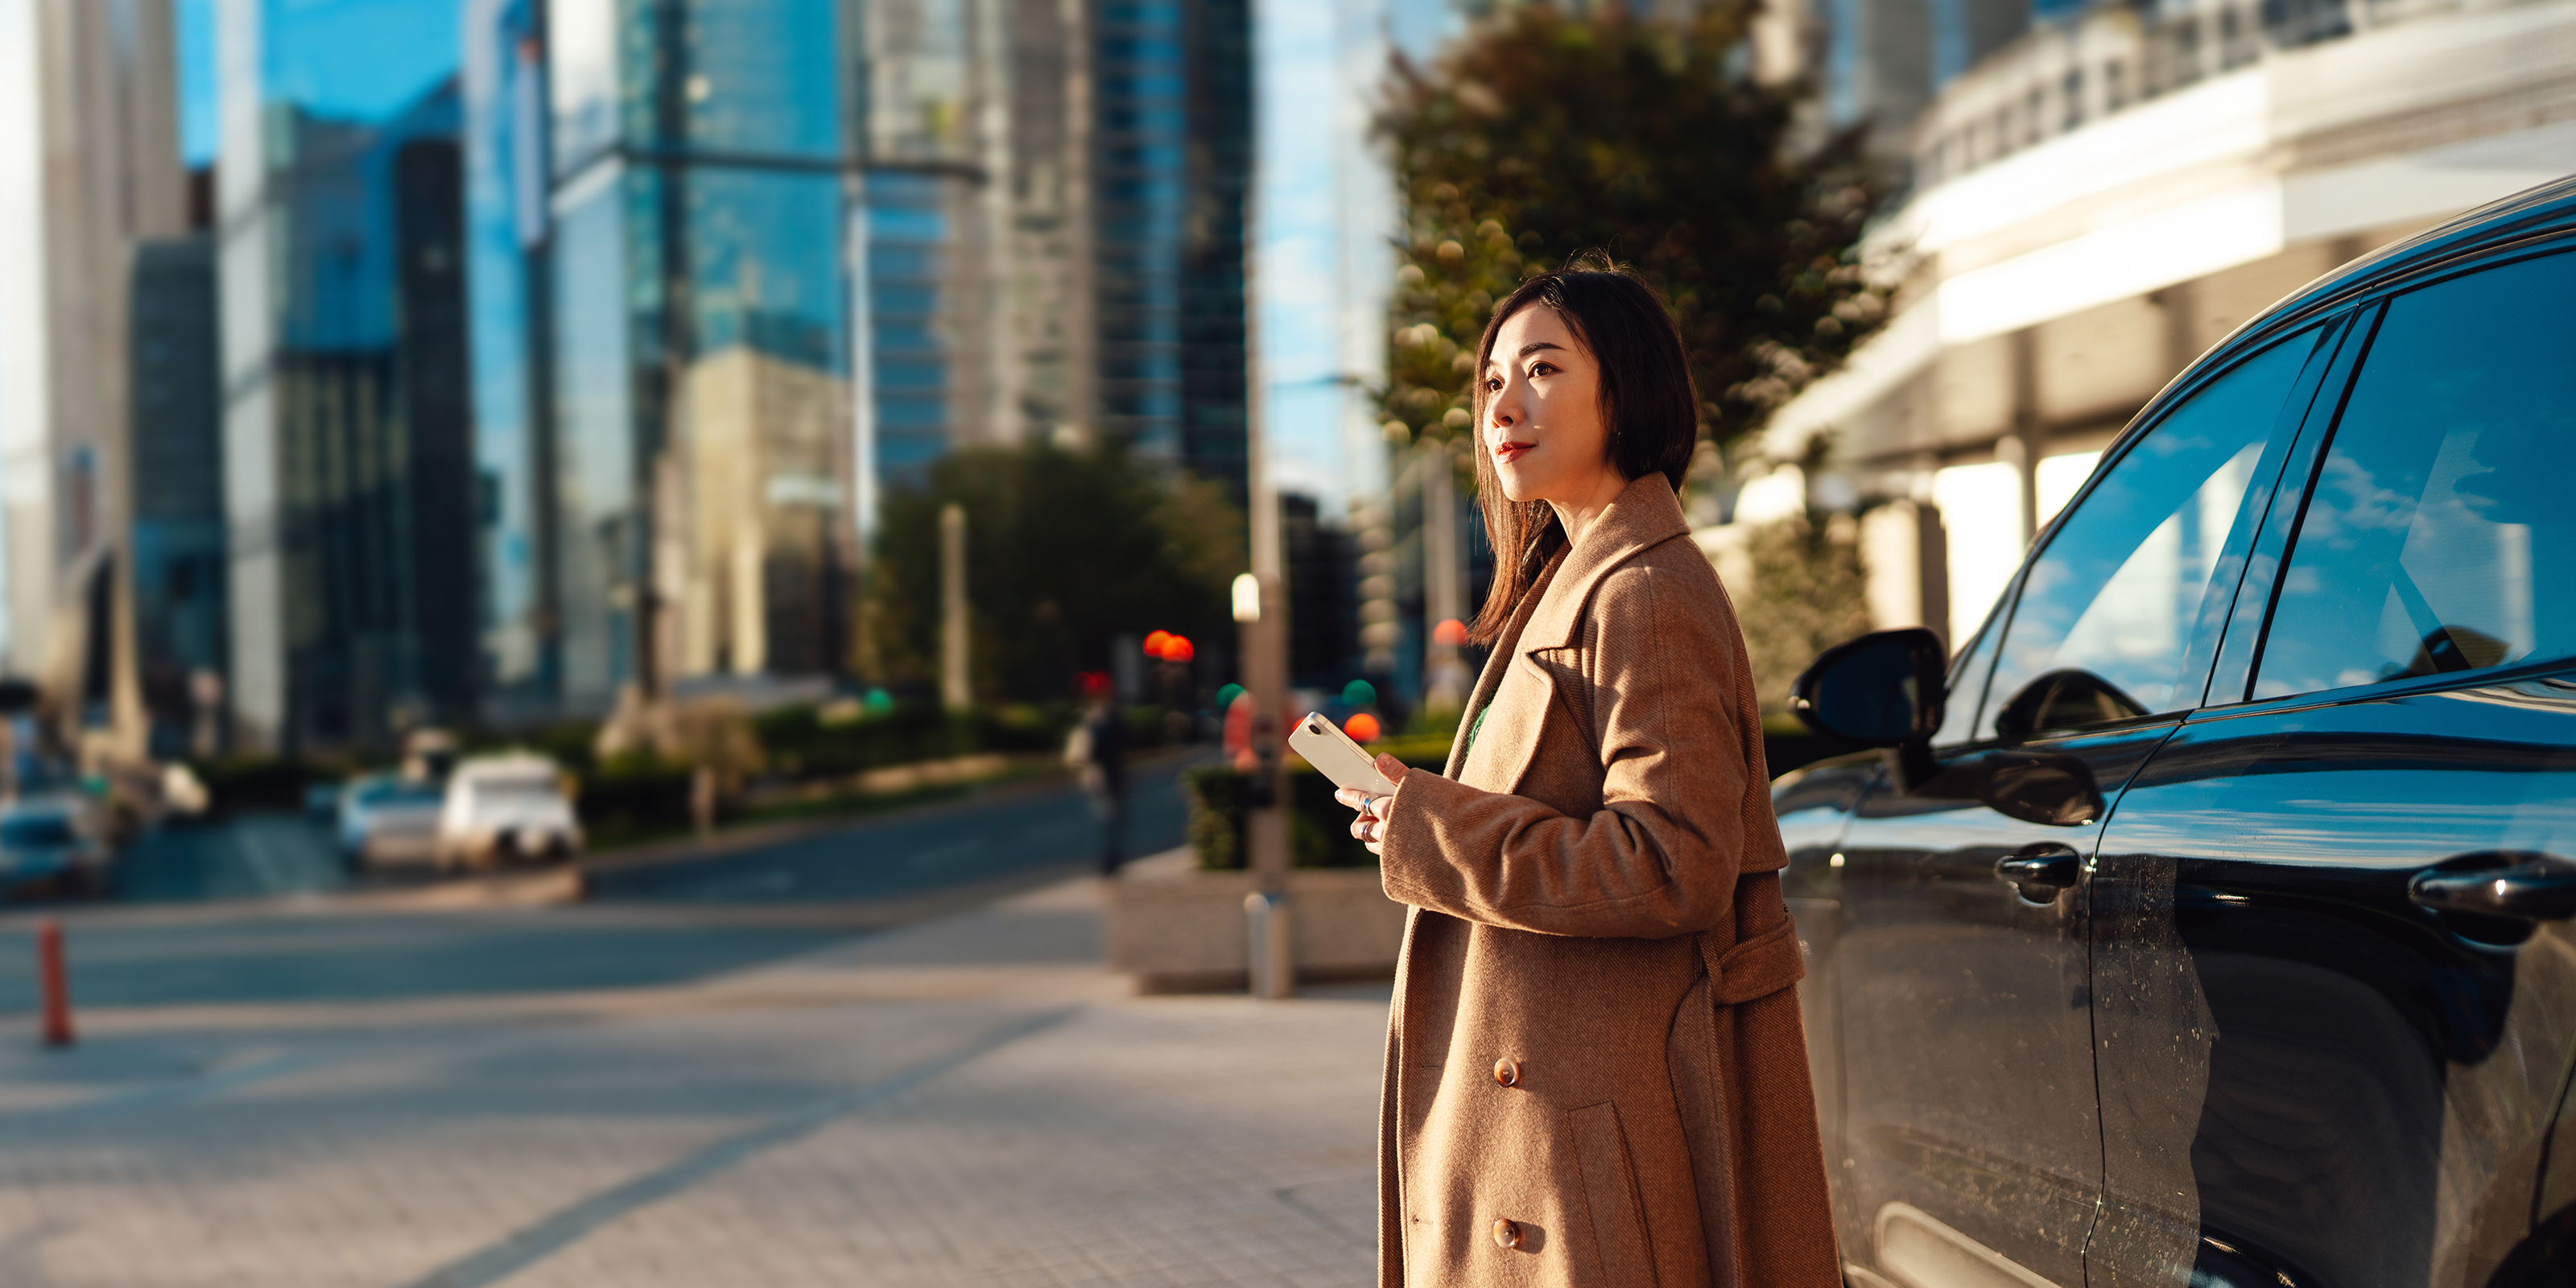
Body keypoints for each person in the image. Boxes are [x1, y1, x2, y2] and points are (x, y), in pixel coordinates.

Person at [1335, 261, 1837, 1286]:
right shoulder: (1569, 585)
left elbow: (1670, 863)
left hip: (1589, 1147)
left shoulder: (1643, 592)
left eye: (1543, 370)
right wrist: (1413, 814)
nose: (1502, 405)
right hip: (1551, 1126)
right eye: (1489, 381)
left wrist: (1432, 828)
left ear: (1626, 390)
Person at [1066, 673, 1129, 875]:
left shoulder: (1110, 717)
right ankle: (1106, 860)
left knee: (1110, 820)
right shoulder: (1093, 719)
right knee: (1105, 819)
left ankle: (1110, 859)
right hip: (1100, 775)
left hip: (1111, 775)